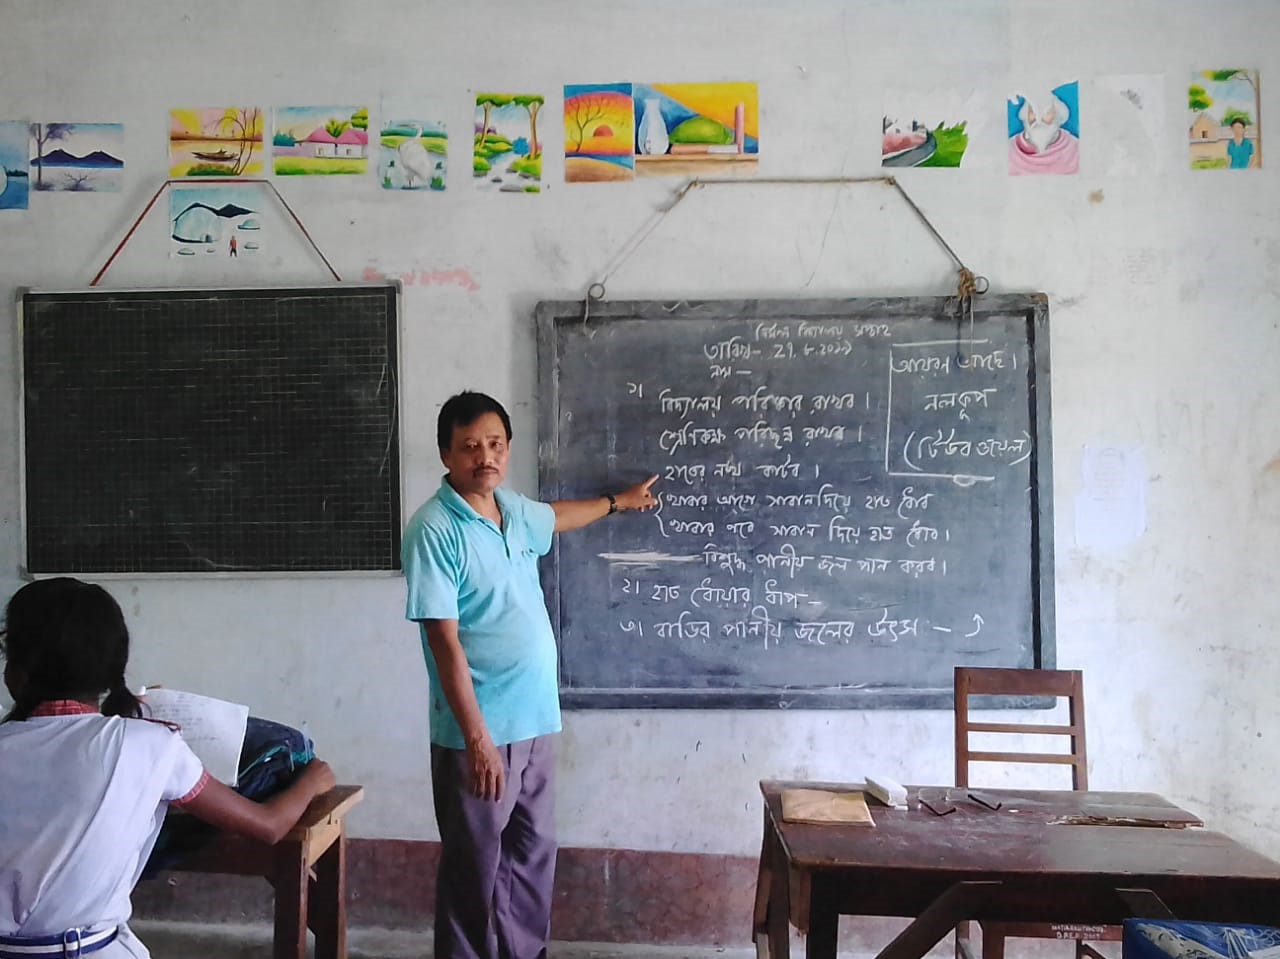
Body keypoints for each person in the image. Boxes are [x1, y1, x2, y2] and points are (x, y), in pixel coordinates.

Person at [401, 390, 657, 959]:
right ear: (446, 455)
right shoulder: (434, 530)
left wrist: (618, 502)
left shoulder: (512, 510)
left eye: (494, 444)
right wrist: (477, 740)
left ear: (508, 448)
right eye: (470, 447)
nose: (484, 457)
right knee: (474, 870)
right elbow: (443, 643)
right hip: (480, 733)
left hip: (534, 721)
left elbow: (557, 516)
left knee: (531, 858)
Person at [0, 578, 336, 959]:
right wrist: (312, 781)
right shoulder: (150, 744)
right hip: (91, 951)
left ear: (15, 674)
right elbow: (268, 826)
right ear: (112, 672)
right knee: (286, 747)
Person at [1008, 90, 1079, 175]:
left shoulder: (1075, 147)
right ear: (1026, 115)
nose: (1038, 119)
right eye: (1032, 111)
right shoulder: (1010, 148)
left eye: (1046, 112)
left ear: (1057, 115)